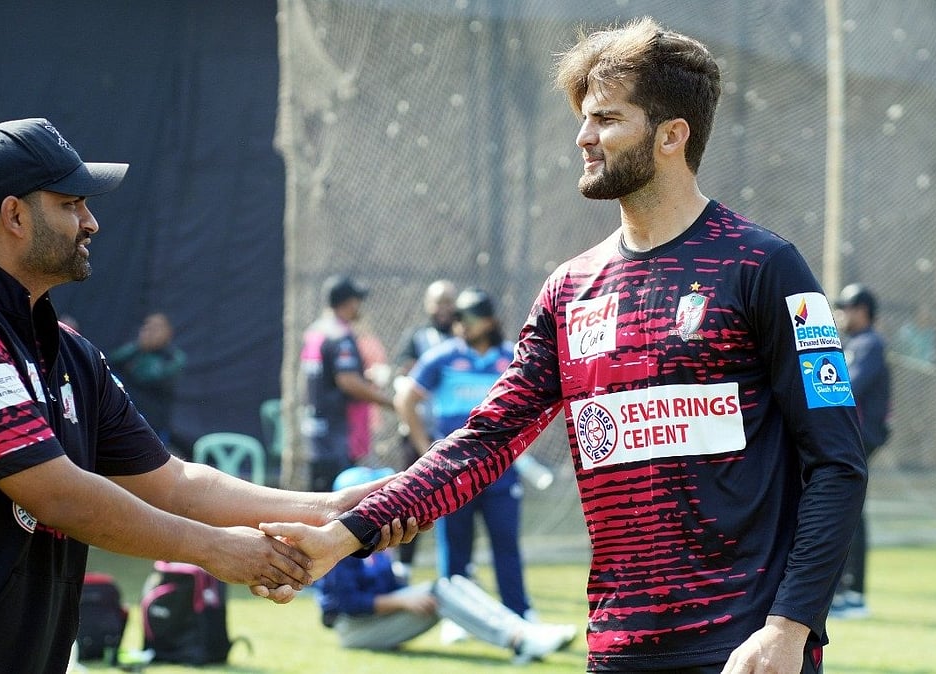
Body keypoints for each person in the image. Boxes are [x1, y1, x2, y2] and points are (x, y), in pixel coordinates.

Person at [264, 17, 867, 674]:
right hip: (617, 651)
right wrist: (346, 534)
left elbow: (836, 464)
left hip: (747, 649)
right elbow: (487, 439)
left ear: (672, 134)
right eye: (583, 118)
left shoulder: (764, 267)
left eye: (606, 119)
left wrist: (790, 626)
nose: (583, 137)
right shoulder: (569, 290)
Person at [0, 118, 414, 673]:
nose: (91, 223)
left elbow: (173, 483)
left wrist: (328, 511)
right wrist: (215, 550)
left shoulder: (69, 351)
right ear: (15, 215)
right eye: (72, 204)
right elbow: (56, 495)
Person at [313, 466, 574, 664]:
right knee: (440, 591)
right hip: (353, 630)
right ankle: (521, 640)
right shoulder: (338, 547)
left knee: (453, 583)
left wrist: (404, 590)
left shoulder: (375, 541)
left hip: (378, 617)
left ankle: (522, 631)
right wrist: (403, 602)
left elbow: (391, 586)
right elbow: (345, 604)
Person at [395, 287, 535, 638]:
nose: (460, 325)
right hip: (454, 474)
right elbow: (405, 399)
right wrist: (425, 448)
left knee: (506, 543)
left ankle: (518, 614)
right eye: (456, 318)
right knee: (455, 545)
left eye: (467, 318)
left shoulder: (510, 357)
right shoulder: (442, 357)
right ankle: (457, 619)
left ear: (488, 320)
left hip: (501, 471)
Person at [300, 274, 394, 492]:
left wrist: (365, 377)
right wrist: (389, 403)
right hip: (337, 435)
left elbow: (327, 377)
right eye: (357, 301)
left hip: (316, 433)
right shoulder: (340, 336)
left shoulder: (315, 332)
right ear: (349, 302)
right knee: (337, 502)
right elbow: (347, 381)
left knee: (317, 498)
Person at [390, 279, 457, 578]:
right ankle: (403, 565)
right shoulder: (418, 338)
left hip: (455, 434)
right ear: (429, 305)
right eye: (438, 302)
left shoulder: (464, 338)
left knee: (459, 504)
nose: (443, 308)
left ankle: (459, 567)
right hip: (421, 433)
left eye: (448, 302)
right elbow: (404, 376)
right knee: (411, 499)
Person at [831, 283, 891, 619]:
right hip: (852, 435)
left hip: (860, 435)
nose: (842, 314)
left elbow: (846, 387)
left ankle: (851, 593)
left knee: (845, 507)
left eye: (847, 308)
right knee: (847, 507)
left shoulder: (870, 344)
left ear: (863, 310)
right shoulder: (853, 343)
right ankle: (846, 592)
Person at [109, 312, 187, 447]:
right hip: (125, 418)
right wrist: (137, 347)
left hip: (154, 423)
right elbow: (111, 361)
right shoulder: (134, 351)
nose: (149, 332)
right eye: (147, 326)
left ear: (168, 332)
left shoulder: (174, 357)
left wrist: (136, 362)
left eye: (156, 328)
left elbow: (147, 377)